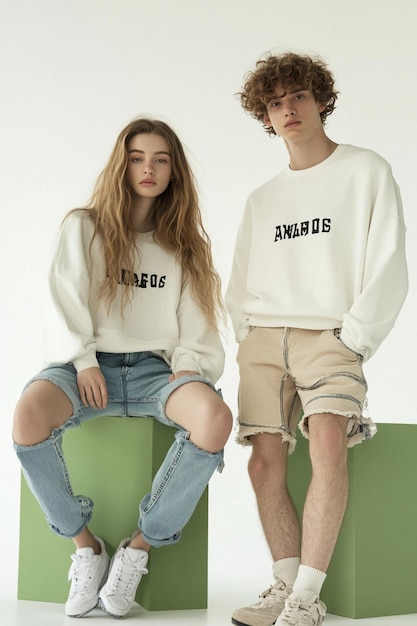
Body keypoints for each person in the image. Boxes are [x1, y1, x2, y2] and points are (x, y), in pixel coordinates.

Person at [13, 117, 233, 619]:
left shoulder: (185, 245)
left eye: (160, 159)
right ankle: (86, 548)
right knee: (27, 416)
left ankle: (139, 549)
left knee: (215, 419)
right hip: (87, 368)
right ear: (122, 163)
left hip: (157, 371)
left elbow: (196, 322)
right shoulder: (84, 226)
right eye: (137, 158)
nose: (148, 169)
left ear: (174, 170)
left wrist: (190, 367)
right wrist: (85, 361)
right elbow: (64, 300)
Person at [226, 52, 408, 626]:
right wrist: (247, 335)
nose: (288, 110)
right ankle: (282, 586)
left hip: (330, 334)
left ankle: (307, 598)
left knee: (329, 442)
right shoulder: (263, 199)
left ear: (321, 99)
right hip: (264, 340)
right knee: (263, 465)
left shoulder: (365, 171)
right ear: (266, 116)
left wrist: (355, 336)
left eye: (297, 97)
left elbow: (390, 261)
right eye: (275, 103)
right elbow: (239, 280)